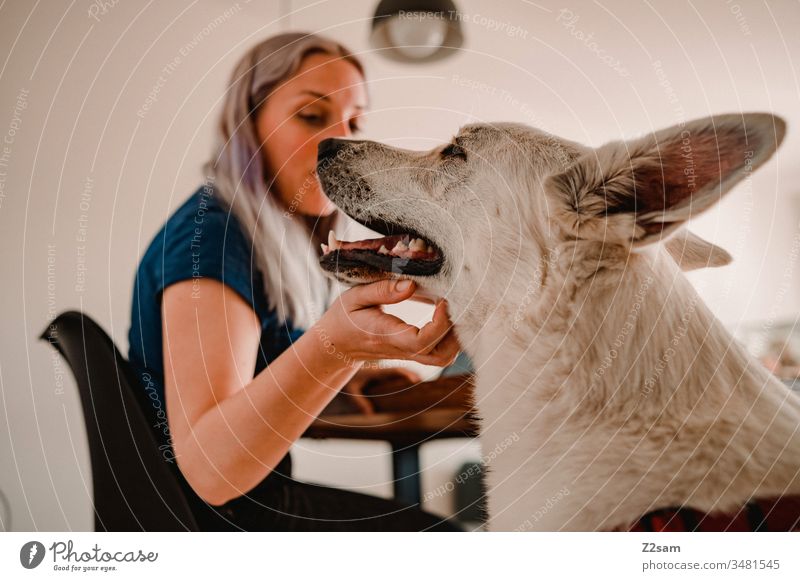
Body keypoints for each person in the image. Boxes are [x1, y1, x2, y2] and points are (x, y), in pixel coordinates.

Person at [128, 32, 463, 531]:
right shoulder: (212, 236)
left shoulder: (267, 240)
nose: (339, 140)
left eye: (353, 121)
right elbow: (212, 469)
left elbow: (257, 378)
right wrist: (334, 348)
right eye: (311, 115)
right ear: (249, 123)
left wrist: (357, 369)